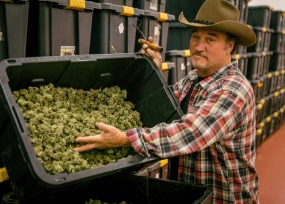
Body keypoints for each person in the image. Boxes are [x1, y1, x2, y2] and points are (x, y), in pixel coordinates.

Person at [74, 0, 259, 203]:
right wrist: (153, 70)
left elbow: (190, 132)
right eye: (195, 37)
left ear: (229, 46)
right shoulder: (193, 78)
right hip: (188, 189)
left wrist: (125, 138)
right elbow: (163, 106)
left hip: (223, 197)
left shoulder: (234, 89)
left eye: (210, 39)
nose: (198, 46)